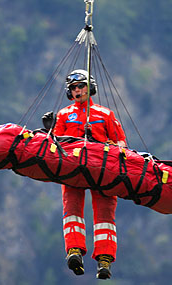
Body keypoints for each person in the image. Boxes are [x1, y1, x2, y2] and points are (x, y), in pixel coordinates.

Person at [52, 69, 126, 280]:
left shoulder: (105, 114)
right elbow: (55, 142)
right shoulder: (64, 115)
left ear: (90, 87)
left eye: (81, 86)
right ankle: (74, 251)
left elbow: (121, 142)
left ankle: (105, 260)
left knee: (105, 212)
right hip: (72, 168)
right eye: (73, 87)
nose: (77, 90)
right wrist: (49, 129)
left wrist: (102, 143)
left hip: (101, 168)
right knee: (72, 208)